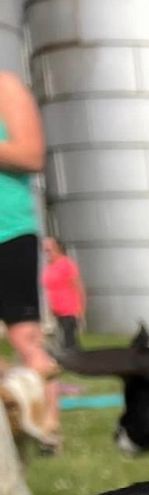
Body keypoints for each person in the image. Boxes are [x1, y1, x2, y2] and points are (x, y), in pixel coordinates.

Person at [0, 71, 57, 422]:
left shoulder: (7, 87)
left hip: (8, 231)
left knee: (26, 338)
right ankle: (9, 427)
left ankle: (48, 427)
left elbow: (32, 155)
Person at [42, 235, 85, 349]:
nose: (45, 249)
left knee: (69, 340)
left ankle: (75, 360)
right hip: (56, 310)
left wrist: (80, 309)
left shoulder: (67, 264)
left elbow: (78, 286)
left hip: (69, 310)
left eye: (48, 246)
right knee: (62, 340)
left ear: (57, 247)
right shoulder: (49, 266)